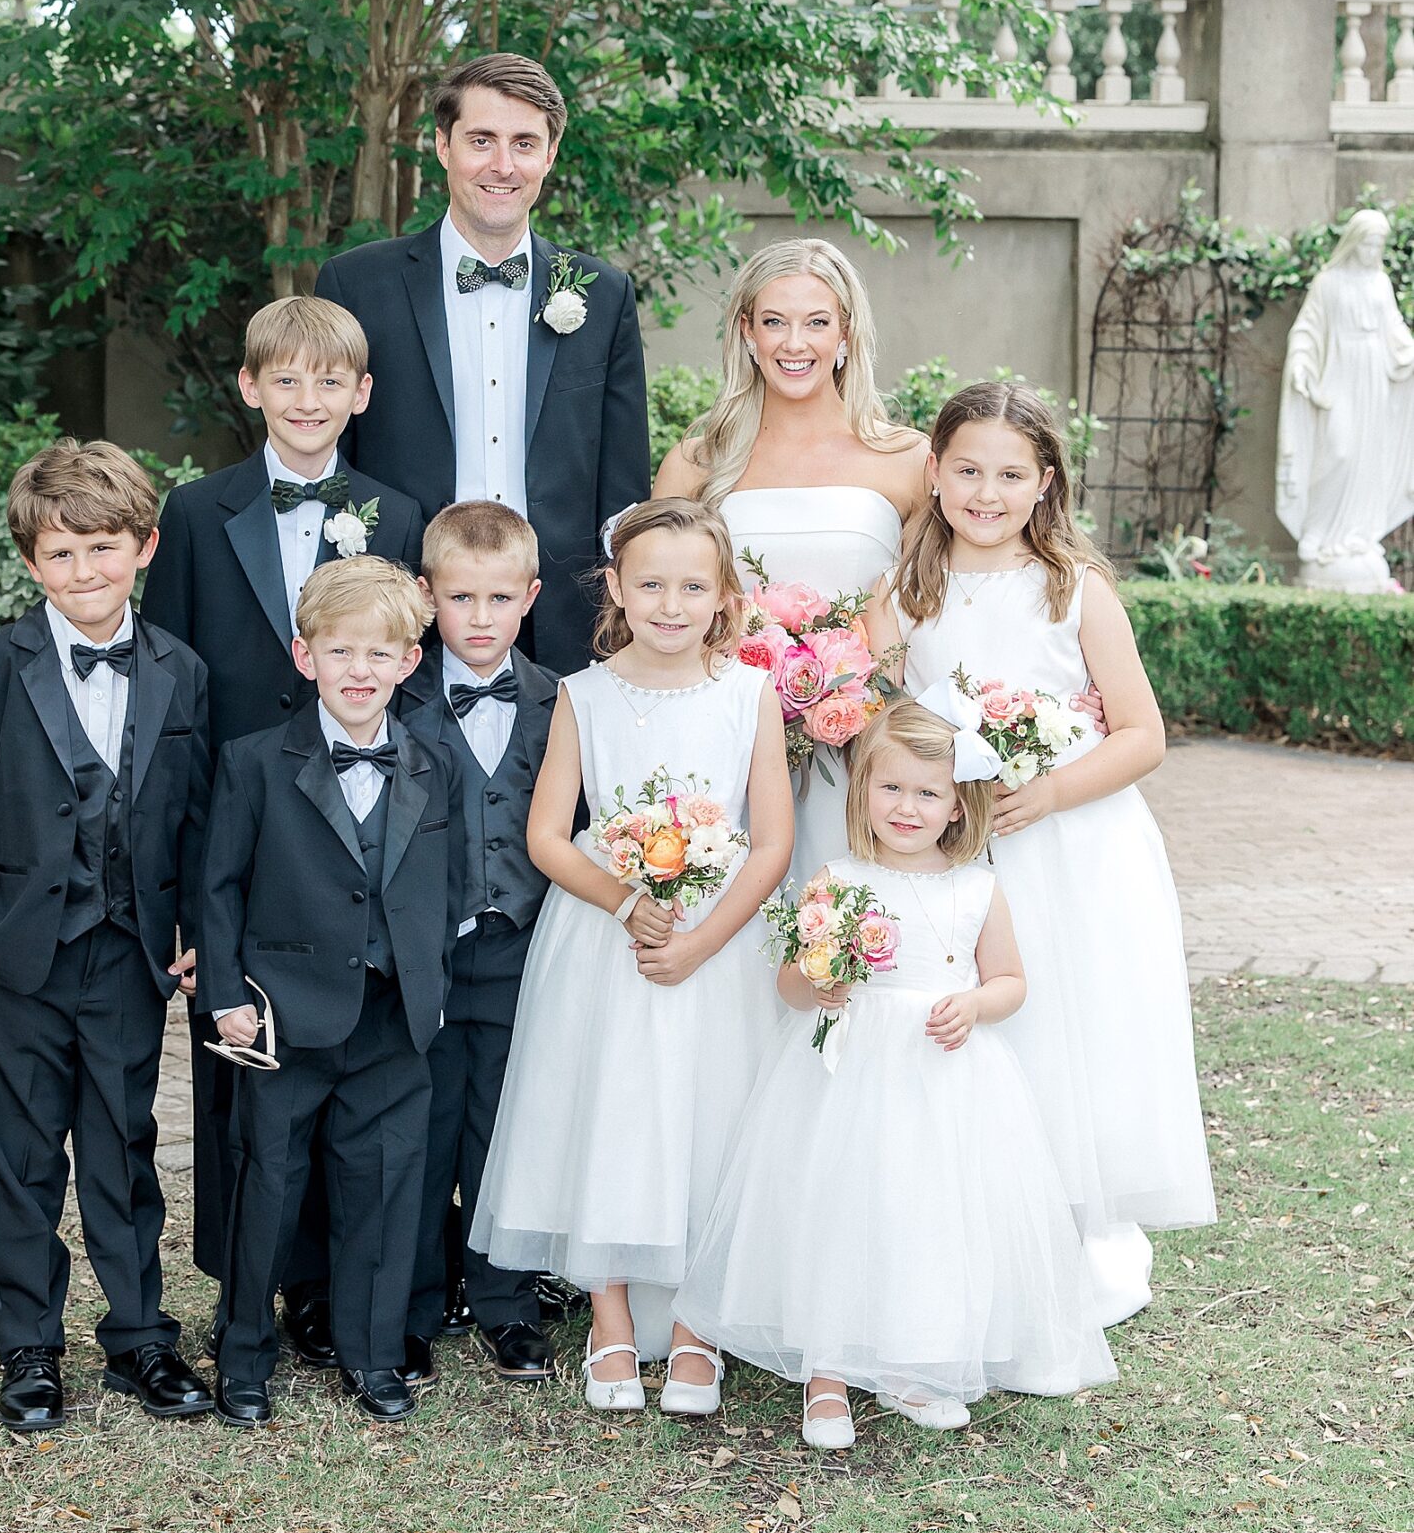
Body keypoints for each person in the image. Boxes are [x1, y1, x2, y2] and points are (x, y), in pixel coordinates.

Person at [866, 381, 1216, 1326]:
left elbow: (1140, 734)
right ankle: (975, 1221)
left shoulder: (1075, 589)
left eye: (1010, 474)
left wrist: (1048, 790)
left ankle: (1076, 1228)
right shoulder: (903, 594)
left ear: (1045, 482)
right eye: (968, 470)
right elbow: (878, 721)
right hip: (958, 853)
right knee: (980, 1028)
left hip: (1072, 847)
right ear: (932, 473)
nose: (986, 492)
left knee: (1071, 1030)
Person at [677, 697, 1116, 1448]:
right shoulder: (837, 877)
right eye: (890, 789)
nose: (905, 807)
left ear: (954, 805)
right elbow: (788, 981)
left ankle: (916, 1360)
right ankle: (826, 1374)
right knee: (840, 1207)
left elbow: (1011, 981)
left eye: (926, 793)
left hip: (943, 1076)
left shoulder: (976, 886)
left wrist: (975, 1004)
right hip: (848, 1072)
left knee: (927, 1213)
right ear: (862, 793)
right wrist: (816, 986)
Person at [140, 294, 423, 1345]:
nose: (308, 402)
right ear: (251, 387)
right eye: (286, 381)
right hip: (238, 826)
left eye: (329, 382)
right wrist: (177, 896)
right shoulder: (198, 511)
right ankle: (243, 1275)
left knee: (342, 1057)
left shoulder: (399, 514)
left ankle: (321, 1288)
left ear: (360, 395)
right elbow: (169, 701)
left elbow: (410, 678)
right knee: (245, 1062)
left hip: (350, 833)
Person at [471, 498, 793, 1416]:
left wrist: (698, 939)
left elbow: (768, 841)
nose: (669, 603)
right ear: (614, 587)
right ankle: (610, 1318)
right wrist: (627, 905)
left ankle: (698, 1329)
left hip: (718, 942)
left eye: (693, 585)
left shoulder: (749, 695)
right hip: (608, 944)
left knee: (710, 1119)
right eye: (649, 584)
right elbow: (549, 836)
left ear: (725, 595)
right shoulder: (584, 694)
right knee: (607, 1114)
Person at [0, 440, 213, 1435]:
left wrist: (189, 934)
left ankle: (140, 1337)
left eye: (103, 547)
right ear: (30, 562)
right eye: (62, 554)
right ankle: (29, 1347)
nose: (85, 570)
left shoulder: (182, 668)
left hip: (128, 953)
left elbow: (196, 820)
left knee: (121, 1146)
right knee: (17, 1154)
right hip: (20, 959)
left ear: (142, 546)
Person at [197, 557, 464, 1428]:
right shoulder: (254, 762)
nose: (359, 670)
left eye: (378, 654)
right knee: (266, 1188)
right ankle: (242, 1356)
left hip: (393, 1019)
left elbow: (447, 881)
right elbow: (219, 884)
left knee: (384, 1193)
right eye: (339, 651)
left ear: (409, 662)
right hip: (284, 1018)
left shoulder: (434, 764)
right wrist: (226, 993)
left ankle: (372, 1354)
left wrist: (428, 977)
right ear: (303, 655)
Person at [315, 52, 650, 674]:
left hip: (562, 628)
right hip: (400, 619)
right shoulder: (358, 285)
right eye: (481, 140)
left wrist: (622, 627)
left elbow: (622, 487)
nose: (503, 164)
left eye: (525, 143)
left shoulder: (603, 295)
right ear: (443, 146)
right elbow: (333, 460)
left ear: (550, 156)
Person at [653, 240, 927, 881]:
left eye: (816, 322)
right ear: (745, 331)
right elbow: (655, 607)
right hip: (729, 750)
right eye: (774, 321)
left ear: (847, 332)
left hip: (867, 757)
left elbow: (941, 610)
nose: (793, 343)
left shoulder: (907, 458)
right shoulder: (696, 463)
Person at [400, 502, 561, 1388]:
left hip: (519, 950)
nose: (481, 617)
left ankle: (507, 1304)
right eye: (461, 598)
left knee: (503, 1127)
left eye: (501, 599)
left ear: (529, 598)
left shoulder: (560, 701)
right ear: (427, 597)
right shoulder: (395, 695)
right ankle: (416, 1306)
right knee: (420, 1128)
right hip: (425, 953)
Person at [1276, 205, 1414, 591]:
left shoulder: (1380, 284)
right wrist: (1301, 365)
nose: (1373, 251)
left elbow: (1396, 332)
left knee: (1368, 458)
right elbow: (1307, 330)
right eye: (1368, 242)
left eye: (1379, 244)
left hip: (1373, 380)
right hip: (1338, 377)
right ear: (1353, 241)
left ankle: (1358, 538)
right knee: (1337, 451)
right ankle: (1319, 532)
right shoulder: (1328, 282)